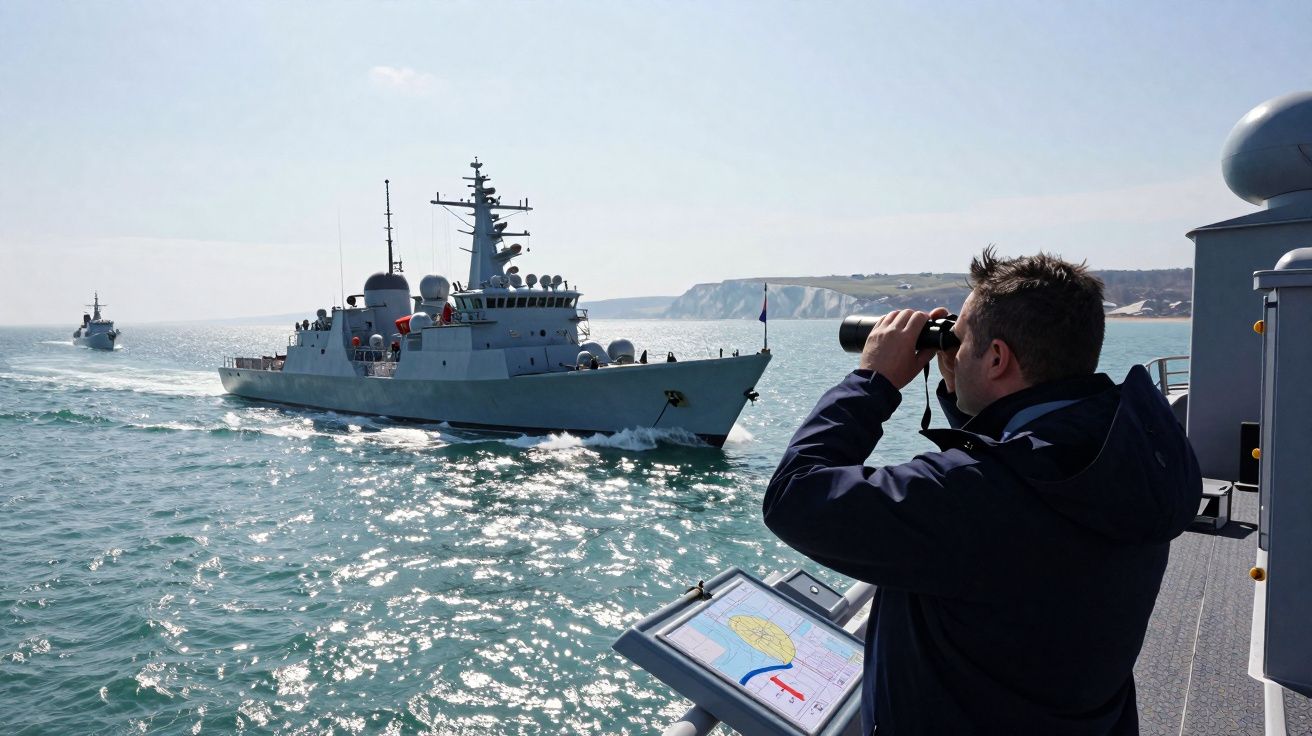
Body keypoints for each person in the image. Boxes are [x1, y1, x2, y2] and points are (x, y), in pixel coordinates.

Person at [763, 248, 1201, 736]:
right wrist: (962, 388)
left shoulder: (969, 497)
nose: (951, 350)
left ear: (996, 358)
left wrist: (872, 381)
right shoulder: (1132, 456)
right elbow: (1023, 457)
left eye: (961, 339)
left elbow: (795, 497)